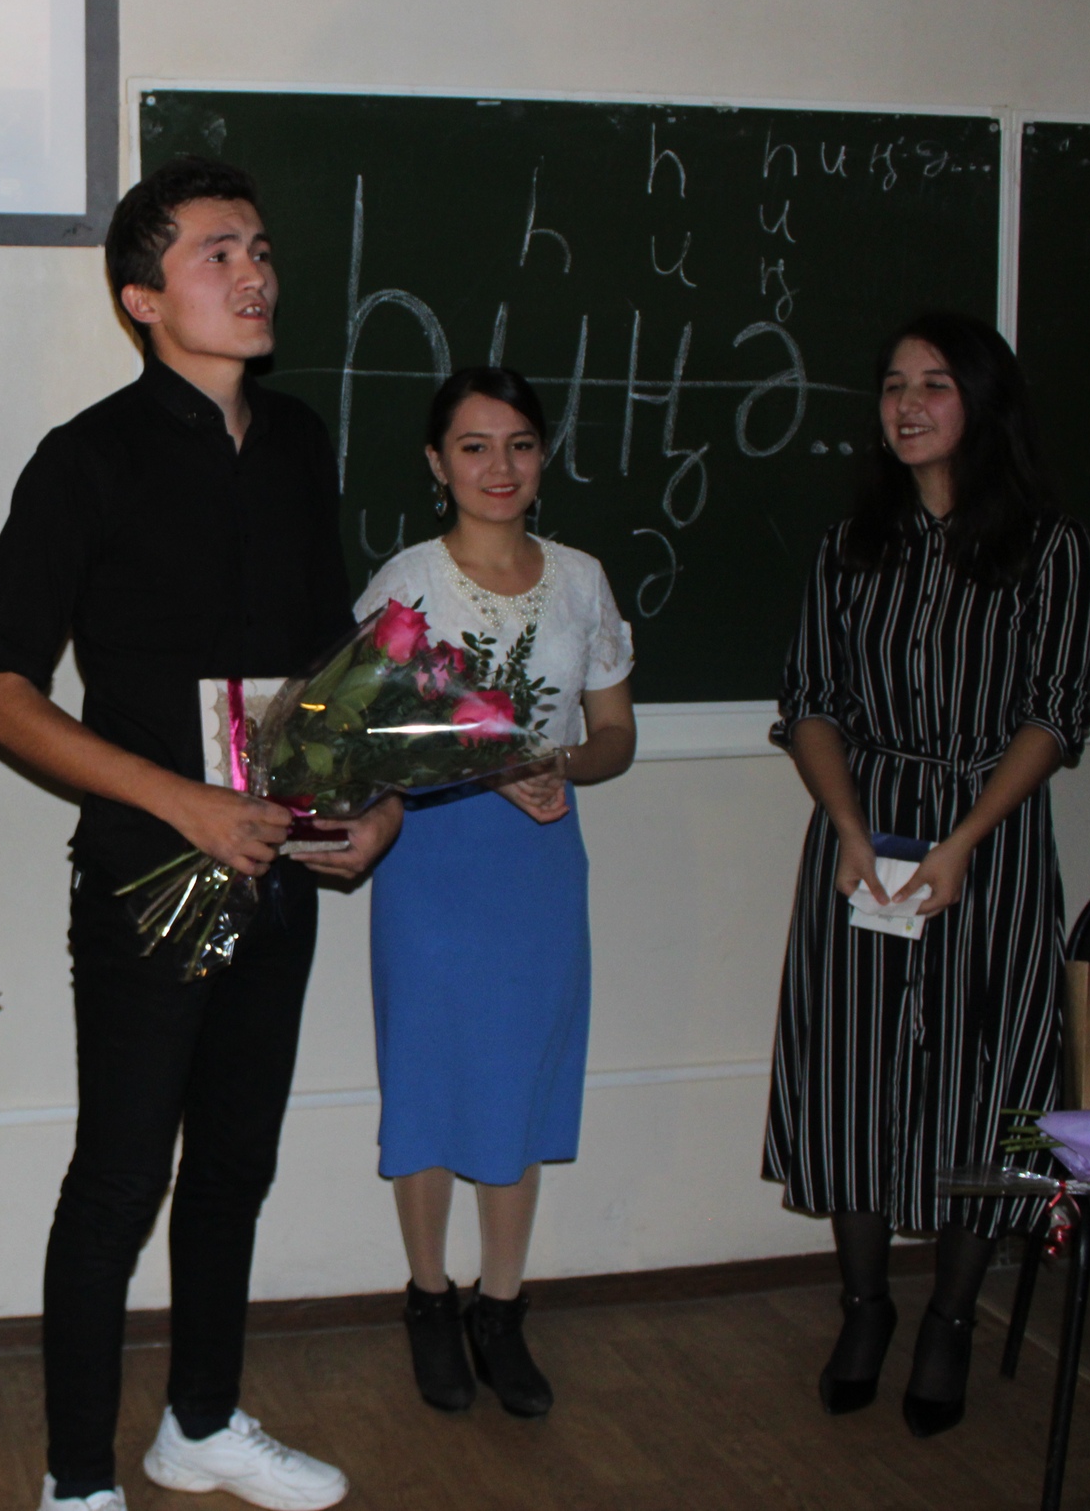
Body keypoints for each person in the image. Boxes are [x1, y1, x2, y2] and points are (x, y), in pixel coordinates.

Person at [0, 155, 400, 1511]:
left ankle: (201, 1423)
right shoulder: (85, 458)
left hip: (280, 869)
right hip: (148, 875)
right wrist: (180, 801)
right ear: (142, 297)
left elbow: (332, 657)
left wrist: (376, 797)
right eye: (219, 252)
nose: (254, 270)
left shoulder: (300, 441)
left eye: (260, 248)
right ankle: (77, 1478)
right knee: (118, 1178)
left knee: (233, 1165)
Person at [763, 311, 1090, 1437]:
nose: (908, 405)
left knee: (989, 1080)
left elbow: (1054, 716)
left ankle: (952, 1316)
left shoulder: (1049, 548)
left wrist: (961, 841)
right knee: (852, 1071)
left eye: (936, 384)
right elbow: (811, 702)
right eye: (894, 385)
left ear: (983, 402)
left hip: (988, 843)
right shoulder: (850, 546)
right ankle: (865, 1307)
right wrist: (849, 826)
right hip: (864, 835)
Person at [353, 366, 637, 1418]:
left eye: (518, 443)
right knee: (428, 1077)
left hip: (540, 857)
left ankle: (502, 1308)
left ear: (542, 455)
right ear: (437, 464)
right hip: (433, 855)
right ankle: (429, 1298)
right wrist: (476, 766)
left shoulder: (581, 579)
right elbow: (366, 733)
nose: (499, 466)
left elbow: (615, 734)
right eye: (473, 446)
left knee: (519, 1076)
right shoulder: (405, 583)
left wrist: (556, 762)